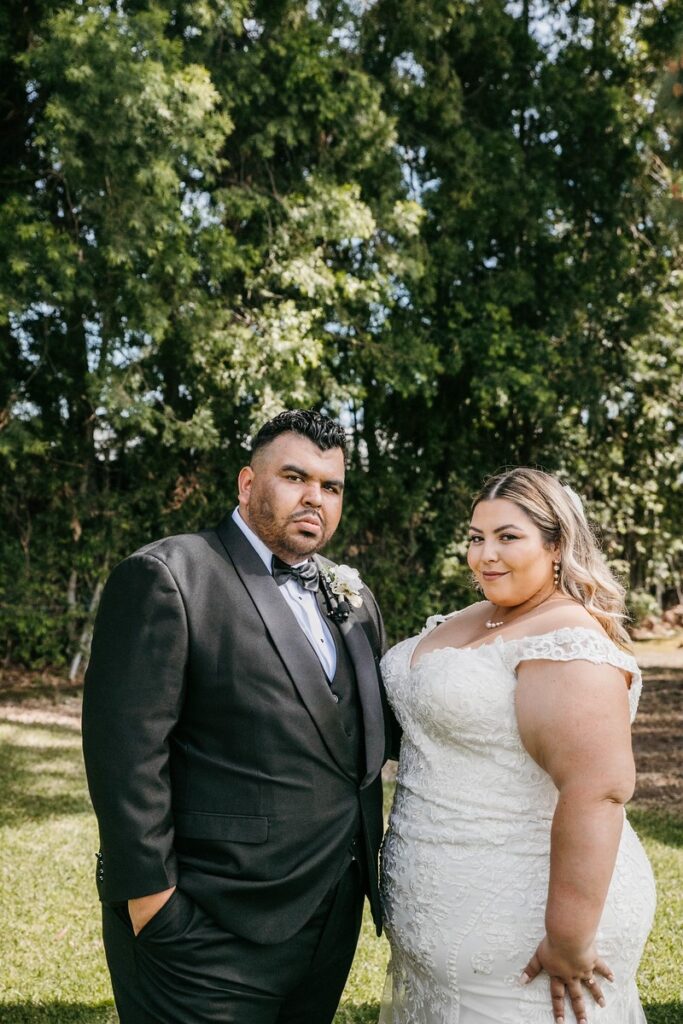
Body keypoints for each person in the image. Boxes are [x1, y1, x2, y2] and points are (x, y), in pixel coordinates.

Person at [82, 409, 398, 1024]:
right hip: (204, 926)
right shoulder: (169, 576)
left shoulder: (353, 597)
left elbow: (362, 734)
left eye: (331, 486)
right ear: (247, 484)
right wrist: (154, 903)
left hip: (329, 920)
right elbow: (125, 755)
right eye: (294, 477)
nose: (315, 498)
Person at [379, 467, 655, 1024]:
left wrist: (568, 936)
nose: (485, 555)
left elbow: (597, 788)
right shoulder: (479, 617)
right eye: (477, 537)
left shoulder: (567, 638)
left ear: (556, 545)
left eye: (508, 537)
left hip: (525, 926)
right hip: (445, 912)